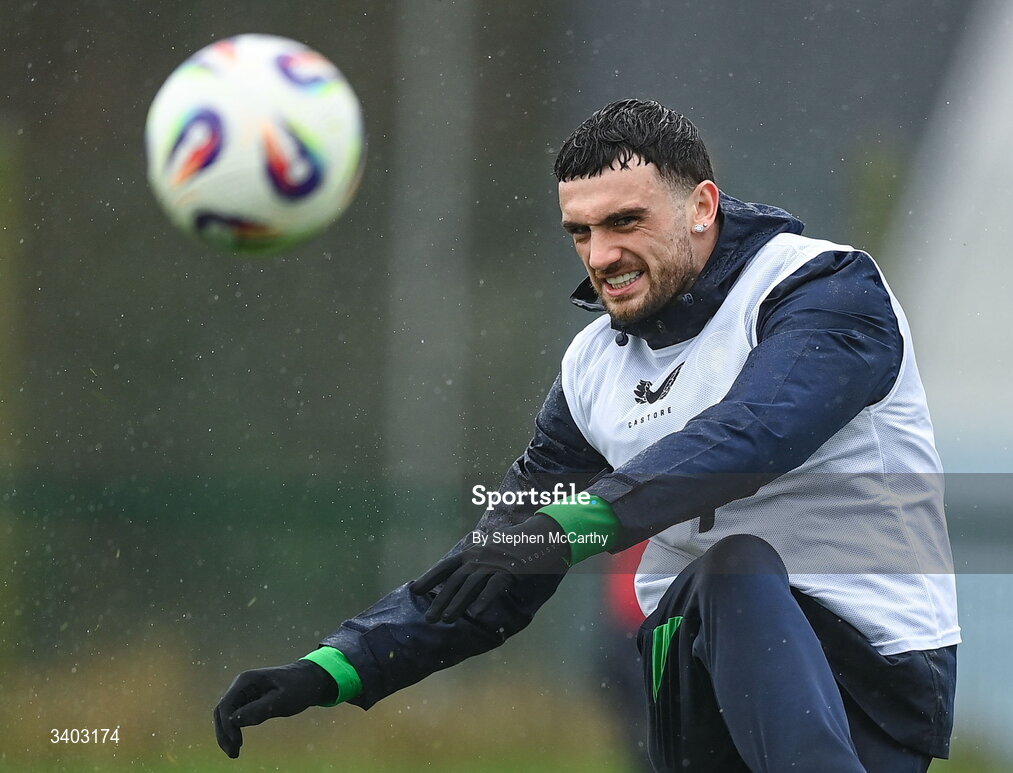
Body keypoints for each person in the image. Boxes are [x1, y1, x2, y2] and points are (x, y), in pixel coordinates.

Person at [214, 99, 959, 772]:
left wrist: (577, 521)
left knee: (735, 567)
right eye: (582, 231)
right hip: (697, 684)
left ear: (702, 205)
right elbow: (495, 566)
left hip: (877, 678)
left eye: (625, 222)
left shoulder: (826, 290)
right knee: (708, 584)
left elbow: (753, 433)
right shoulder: (592, 369)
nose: (601, 255)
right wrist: (334, 664)